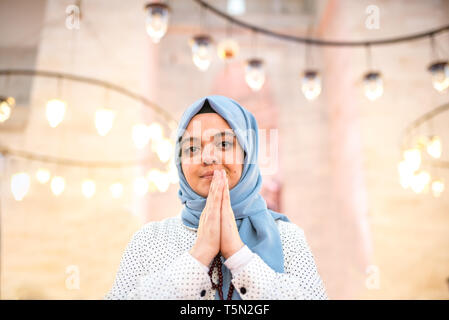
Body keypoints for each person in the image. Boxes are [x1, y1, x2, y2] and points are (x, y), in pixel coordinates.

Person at [105, 95, 328, 300]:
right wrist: (199, 255)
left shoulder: (286, 237)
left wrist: (239, 255)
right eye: (192, 148)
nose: (208, 157)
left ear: (246, 154)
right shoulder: (150, 241)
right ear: (180, 162)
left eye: (223, 144)